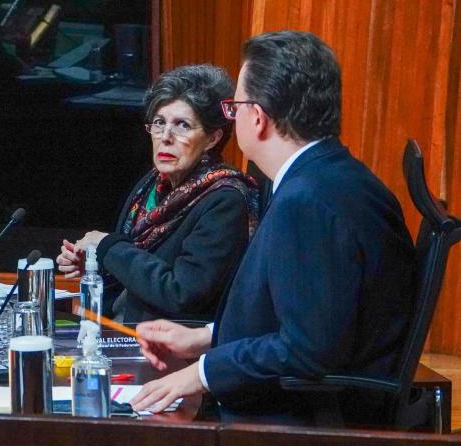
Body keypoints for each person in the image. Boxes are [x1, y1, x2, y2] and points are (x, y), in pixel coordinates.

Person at [130, 31, 415, 425]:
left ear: (258, 118)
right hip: (302, 401)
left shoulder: (309, 200)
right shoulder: (329, 176)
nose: (234, 117)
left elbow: (308, 348)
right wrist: (206, 338)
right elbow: (313, 315)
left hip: (299, 418)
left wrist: (201, 373)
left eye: (235, 107)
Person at [56, 64, 259, 323]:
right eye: (159, 123)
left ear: (212, 138)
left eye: (182, 125)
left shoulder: (226, 200)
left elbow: (182, 294)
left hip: (170, 346)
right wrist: (95, 262)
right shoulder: (151, 185)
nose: (166, 137)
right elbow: (137, 270)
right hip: (119, 329)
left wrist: (109, 248)